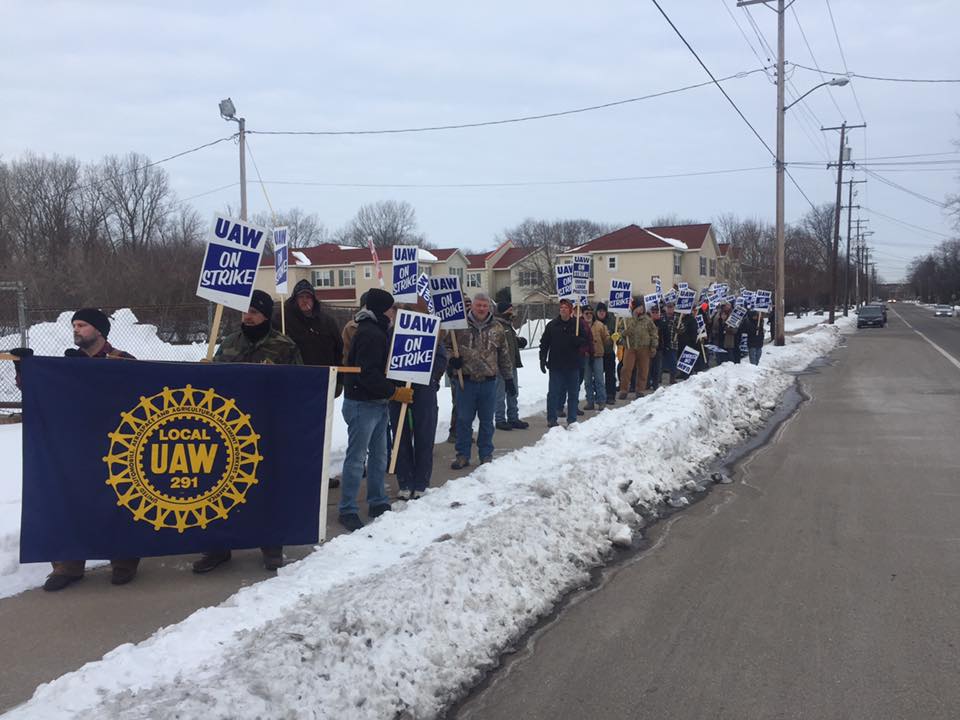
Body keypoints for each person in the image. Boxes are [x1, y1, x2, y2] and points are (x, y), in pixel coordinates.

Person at [193, 291, 303, 574]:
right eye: (245, 311)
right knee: (220, 487)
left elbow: (299, 385)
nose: (247, 317)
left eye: (253, 312)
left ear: (265, 315)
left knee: (266, 488)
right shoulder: (230, 342)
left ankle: (271, 545)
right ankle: (218, 547)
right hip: (229, 429)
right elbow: (214, 385)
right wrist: (206, 372)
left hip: (267, 428)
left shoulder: (284, 346)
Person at [44, 309, 140, 591]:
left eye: (82, 325)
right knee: (72, 502)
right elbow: (44, 393)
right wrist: (25, 369)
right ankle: (68, 565)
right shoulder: (66, 364)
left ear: (99, 330)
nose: (76, 329)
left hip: (116, 444)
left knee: (118, 501)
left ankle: (124, 561)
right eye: (74, 325)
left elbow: (138, 394)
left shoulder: (122, 359)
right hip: (76, 445)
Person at [338, 288, 410, 531]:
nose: (393, 312)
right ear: (383, 309)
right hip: (362, 403)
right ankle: (347, 508)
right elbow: (367, 373)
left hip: (377, 402)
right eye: (391, 308)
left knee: (379, 456)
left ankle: (377, 500)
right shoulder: (371, 333)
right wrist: (393, 392)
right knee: (357, 458)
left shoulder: (377, 330)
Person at [446, 292, 512, 469]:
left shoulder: (497, 328)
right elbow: (446, 346)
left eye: (484, 306)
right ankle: (462, 455)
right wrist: (452, 359)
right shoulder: (458, 326)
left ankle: (486, 454)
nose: (481, 309)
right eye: (478, 305)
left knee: (487, 421)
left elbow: (504, 354)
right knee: (463, 420)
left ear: (489, 307)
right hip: (465, 382)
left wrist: (508, 378)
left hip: (489, 382)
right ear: (472, 306)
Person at [390, 302, 448, 501]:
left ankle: (422, 482)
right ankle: (405, 482)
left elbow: (441, 359)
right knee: (401, 436)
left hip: (424, 390)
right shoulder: (390, 335)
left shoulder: (429, 334)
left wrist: (430, 378)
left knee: (424, 436)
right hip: (399, 391)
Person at [540, 298, 588, 427]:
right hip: (556, 365)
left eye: (566, 307)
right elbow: (544, 343)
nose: (563, 309)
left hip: (573, 365)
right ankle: (551, 418)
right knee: (553, 392)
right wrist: (542, 358)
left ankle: (572, 419)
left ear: (571, 310)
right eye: (561, 307)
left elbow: (586, 341)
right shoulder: (552, 325)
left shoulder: (577, 325)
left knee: (573, 393)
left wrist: (578, 341)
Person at [282, 279, 343, 368]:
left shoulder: (327, 322)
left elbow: (338, 349)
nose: (305, 300)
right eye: (301, 297)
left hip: (323, 372)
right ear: (295, 299)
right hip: (294, 372)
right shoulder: (283, 320)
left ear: (314, 300)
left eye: (308, 297)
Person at [494, 302, 529, 431]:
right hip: (500, 366)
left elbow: (509, 343)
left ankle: (513, 417)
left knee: (513, 392)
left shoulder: (509, 325)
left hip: (512, 364)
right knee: (500, 394)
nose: (512, 312)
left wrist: (518, 342)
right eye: (510, 310)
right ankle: (500, 419)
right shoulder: (497, 326)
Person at [617, 299, 658, 400]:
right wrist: (623, 334)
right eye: (639, 307)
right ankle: (623, 390)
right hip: (630, 347)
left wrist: (653, 346)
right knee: (626, 369)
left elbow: (654, 333)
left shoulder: (647, 320)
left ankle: (640, 390)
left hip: (644, 347)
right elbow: (619, 331)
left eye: (642, 307)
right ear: (634, 308)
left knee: (643, 370)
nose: (641, 309)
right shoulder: (626, 319)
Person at [446, 294, 471, 444]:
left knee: (469, 405)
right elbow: (446, 346)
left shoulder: (473, 323)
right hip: (456, 371)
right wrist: (452, 361)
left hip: (471, 372)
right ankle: (455, 432)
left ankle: (465, 431)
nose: (468, 306)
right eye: (465, 304)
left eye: (469, 303)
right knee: (459, 403)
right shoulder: (453, 325)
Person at [582, 305, 609, 410]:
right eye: (586, 313)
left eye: (590, 313)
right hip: (585, 356)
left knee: (599, 379)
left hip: (597, 355)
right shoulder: (579, 325)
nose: (589, 315)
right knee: (587, 380)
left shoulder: (599, 325)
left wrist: (611, 339)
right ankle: (590, 401)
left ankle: (601, 401)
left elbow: (606, 338)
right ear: (583, 314)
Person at [595, 303, 618, 405]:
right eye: (600, 311)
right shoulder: (593, 322)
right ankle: (599, 394)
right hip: (597, 353)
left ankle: (610, 395)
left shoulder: (611, 321)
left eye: (603, 311)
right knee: (597, 376)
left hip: (608, 352)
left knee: (610, 375)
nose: (601, 313)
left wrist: (616, 337)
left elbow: (616, 332)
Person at [659, 301, 681, 385]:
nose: (670, 309)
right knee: (661, 362)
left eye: (671, 307)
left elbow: (682, 328)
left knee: (673, 361)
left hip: (673, 343)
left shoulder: (677, 317)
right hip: (662, 343)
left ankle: (672, 378)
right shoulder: (662, 317)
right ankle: (658, 378)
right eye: (668, 307)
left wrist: (679, 330)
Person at [648, 305, 663, 391]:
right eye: (653, 312)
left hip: (658, 347)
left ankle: (655, 384)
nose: (655, 314)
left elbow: (665, 334)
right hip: (647, 347)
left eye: (656, 312)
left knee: (656, 367)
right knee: (648, 367)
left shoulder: (662, 323)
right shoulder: (647, 322)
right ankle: (647, 383)